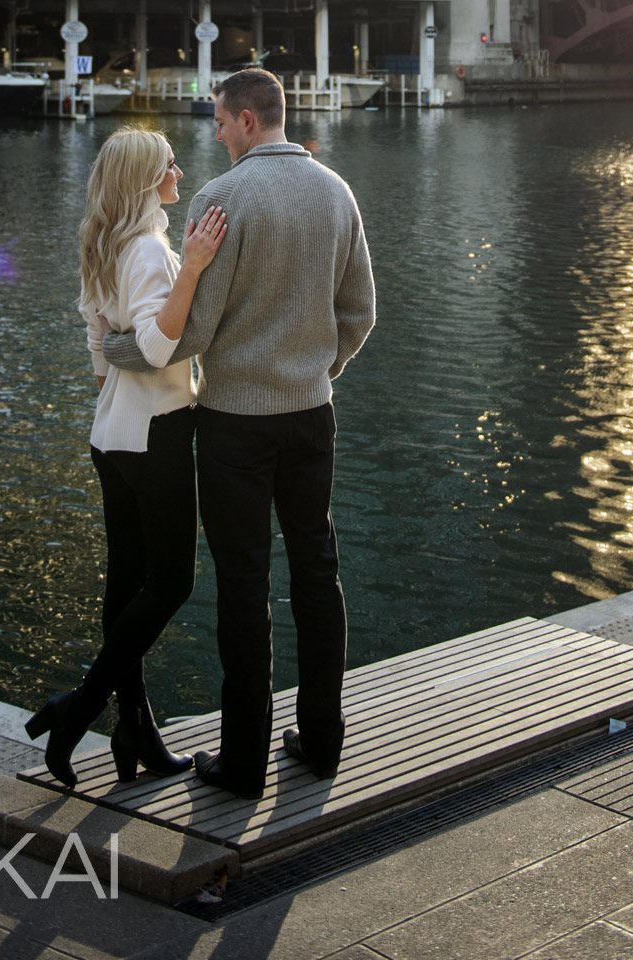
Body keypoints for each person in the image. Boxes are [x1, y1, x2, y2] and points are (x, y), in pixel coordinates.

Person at [102, 67, 375, 799]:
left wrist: (113, 348)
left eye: (221, 121)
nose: (216, 133)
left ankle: (244, 763)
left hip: (232, 425)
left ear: (247, 120)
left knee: (243, 585)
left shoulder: (221, 199)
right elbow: (360, 313)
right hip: (311, 413)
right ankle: (321, 741)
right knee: (317, 572)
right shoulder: (337, 191)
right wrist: (317, 372)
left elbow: (189, 332)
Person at [24, 128, 228, 790]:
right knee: (171, 583)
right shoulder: (148, 251)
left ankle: (134, 732)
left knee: (127, 585)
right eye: (167, 162)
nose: (177, 168)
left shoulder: (105, 246)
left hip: (111, 433)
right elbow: (161, 347)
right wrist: (193, 267)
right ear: (146, 179)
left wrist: (121, 350)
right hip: (155, 433)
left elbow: (100, 352)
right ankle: (79, 709)